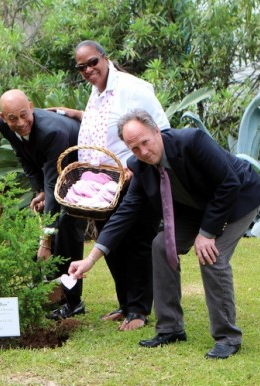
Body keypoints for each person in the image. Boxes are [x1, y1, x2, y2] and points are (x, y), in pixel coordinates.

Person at [70, 109, 260, 359]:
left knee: (211, 257)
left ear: (156, 131)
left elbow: (228, 183)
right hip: (196, 207)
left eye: (145, 142)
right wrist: (91, 258)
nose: (143, 152)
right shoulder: (138, 167)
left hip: (239, 199)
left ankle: (227, 337)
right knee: (162, 245)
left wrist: (207, 233)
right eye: (134, 148)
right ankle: (170, 328)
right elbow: (125, 213)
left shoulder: (192, 141)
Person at [49, 40, 170, 330]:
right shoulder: (97, 92)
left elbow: (162, 129)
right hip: (102, 187)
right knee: (113, 244)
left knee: (137, 243)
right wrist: (75, 114)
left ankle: (139, 311)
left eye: (93, 62)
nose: (89, 70)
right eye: (82, 67)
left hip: (134, 179)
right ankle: (126, 303)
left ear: (105, 58)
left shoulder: (132, 88)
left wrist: (134, 167)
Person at [0, 89, 87, 320]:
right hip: (53, 171)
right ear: (3, 117)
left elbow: (55, 189)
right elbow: (23, 156)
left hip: (81, 168)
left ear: (31, 106)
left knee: (67, 227)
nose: (20, 123)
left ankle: (73, 301)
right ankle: (52, 293)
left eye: (24, 115)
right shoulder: (3, 124)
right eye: (12, 119)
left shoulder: (52, 132)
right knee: (48, 224)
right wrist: (38, 190)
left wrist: (45, 242)